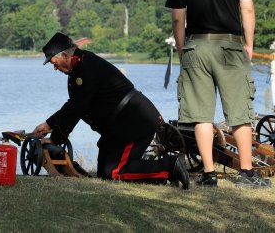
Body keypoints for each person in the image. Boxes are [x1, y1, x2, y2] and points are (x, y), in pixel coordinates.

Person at [33, 32, 189, 189]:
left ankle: (170, 166)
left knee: (115, 173)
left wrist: (55, 138)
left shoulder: (84, 68)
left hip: (133, 122)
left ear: (65, 56)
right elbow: (75, 104)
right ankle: (156, 176)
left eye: (54, 63)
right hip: (119, 126)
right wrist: (48, 124)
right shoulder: (81, 65)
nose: (55, 68)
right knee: (104, 174)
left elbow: (76, 107)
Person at [165, 0, 271, 188]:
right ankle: (247, 174)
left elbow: (177, 18)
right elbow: (248, 9)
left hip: (197, 46)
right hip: (230, 46)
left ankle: (209, 174)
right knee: (239, 113)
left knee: (201, 115)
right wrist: (249, 45)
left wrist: (184, 49)